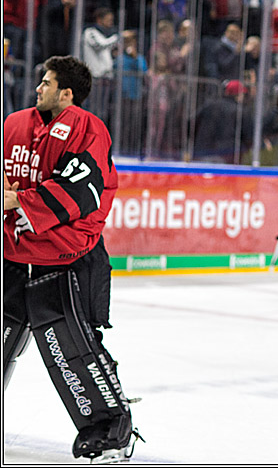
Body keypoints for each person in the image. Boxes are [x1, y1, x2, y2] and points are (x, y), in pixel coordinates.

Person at [3, 55, 142, 462]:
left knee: (73, 352)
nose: (38, 88)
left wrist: (19, 200)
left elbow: (83, 190)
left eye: (46, 83)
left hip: (65, 259)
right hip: (13, 253)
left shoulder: (87, 128)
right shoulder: (14, 124)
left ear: (66, 93)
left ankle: (110, 430)